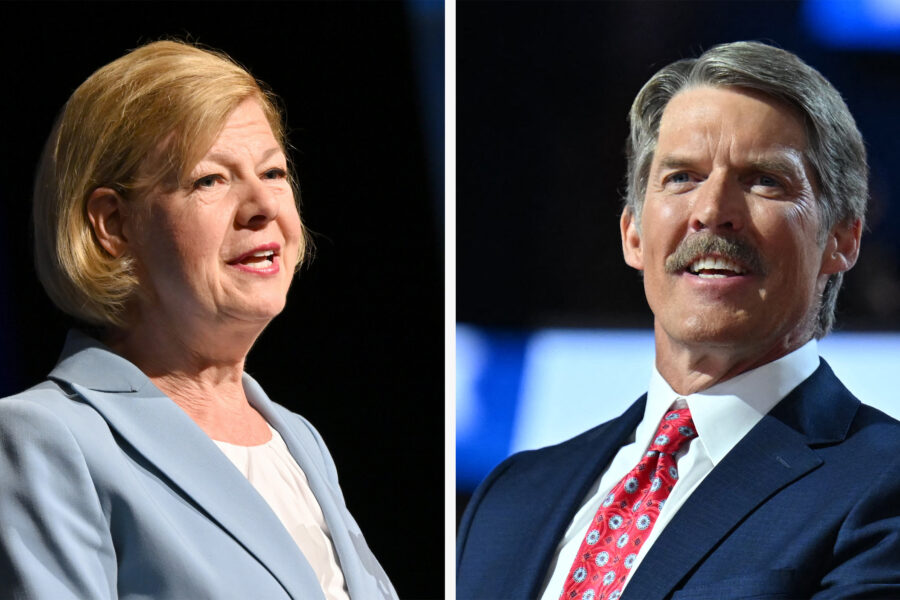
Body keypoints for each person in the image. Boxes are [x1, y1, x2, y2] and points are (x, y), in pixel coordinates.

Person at [457, 41, 900, 599]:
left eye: (763, 179)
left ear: (842, 238)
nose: (712, 211)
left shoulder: (883, 485)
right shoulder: (509, 500)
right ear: (633, 234)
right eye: (681, 177)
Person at [0, 40, 397, 599]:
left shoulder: (296, 439)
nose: (263, 205)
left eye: (274, 172)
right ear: (113, 225)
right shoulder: (45, 438)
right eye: (210, 180)